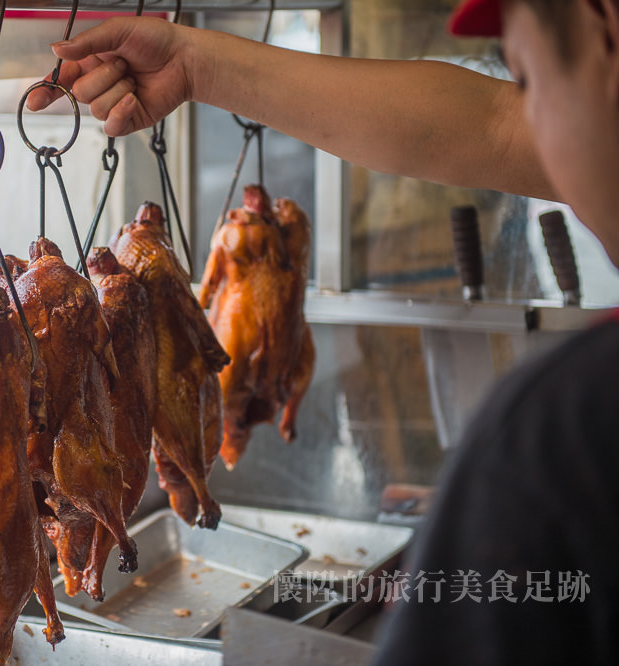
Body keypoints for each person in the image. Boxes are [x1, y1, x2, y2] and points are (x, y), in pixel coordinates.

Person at [31, 0, 619, 663]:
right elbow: (487, 126)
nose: (528, 115)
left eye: (527, 79)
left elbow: (494, 126)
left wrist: (499, 508)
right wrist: (191, 62)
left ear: (603, 28)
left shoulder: (567, 424)